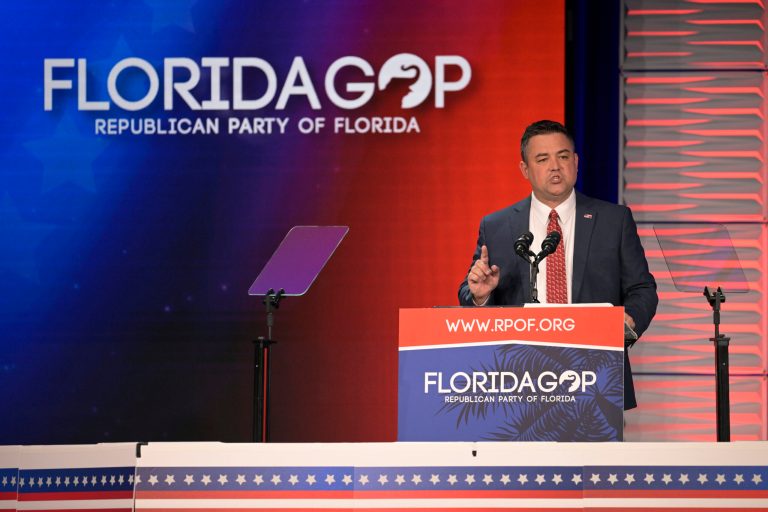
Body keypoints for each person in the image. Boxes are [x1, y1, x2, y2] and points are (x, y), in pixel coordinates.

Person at [458, 120, 657, 409]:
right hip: (518, 381)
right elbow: (470, 292)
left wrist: (627, 321)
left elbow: (642, 289)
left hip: (596, 375)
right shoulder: (497, 226)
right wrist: (481, 295)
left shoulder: (614, 220)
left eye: (563, 157)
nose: (555, 166)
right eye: (542, 159)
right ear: (525, 170)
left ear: (575, 162)